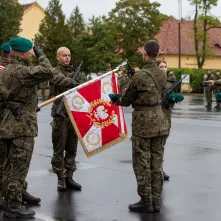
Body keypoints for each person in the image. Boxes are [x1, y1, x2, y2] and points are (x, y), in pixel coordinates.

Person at [109, 40, 170, 213]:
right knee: (156, 163)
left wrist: (116, 99)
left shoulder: (139, 75)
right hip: (160, 120)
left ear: (145, 52)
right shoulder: (162, 73)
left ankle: (146, 200)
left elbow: (126, 100)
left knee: (141, 162)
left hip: (143, 124)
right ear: (157, 53)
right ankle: (156, 201)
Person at [0, 37, 53, 218]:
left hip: (7, 122)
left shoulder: (5, 71)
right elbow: (47, 71)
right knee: (18, 167)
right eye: (30, 50)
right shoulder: (21, 71)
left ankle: (5, 200)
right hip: (21, 125)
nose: (31, 53)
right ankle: (13, 206)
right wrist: (40, 53)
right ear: (23, 53)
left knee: (7, 166)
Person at [49, 47, 81, 191]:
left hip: (73, 115)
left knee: (72, 148)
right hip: (60, 115)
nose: (67, 58)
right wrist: (75, 83)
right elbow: (61, 81)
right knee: (59, 148)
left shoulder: (75, 73)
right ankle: (60, 177)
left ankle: (69, 176)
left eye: (69, 55)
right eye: (64, 55)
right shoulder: (54, 72)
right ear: (58, 57)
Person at [157, 61, 177, 181]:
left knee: (162, 144)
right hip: (154, 116)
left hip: (166, 116)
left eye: (165, 67)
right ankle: (155, 170)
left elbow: (171, 103)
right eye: (161, 67)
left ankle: (160, 169)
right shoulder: (153, 81)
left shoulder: (170, 84)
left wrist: (172, 99)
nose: (163, 69)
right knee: (154, 146)